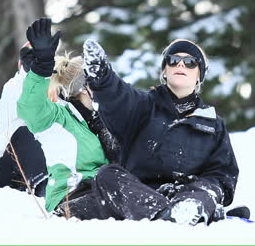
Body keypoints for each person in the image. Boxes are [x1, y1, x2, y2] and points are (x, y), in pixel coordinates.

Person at [80, 38, 239, 225]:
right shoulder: (143, 105)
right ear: (165, 70)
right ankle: (167, 215)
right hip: (139, 197)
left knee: (207, 190)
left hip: (188, 197)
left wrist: (204, 194)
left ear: (199, 75)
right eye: (173, 60)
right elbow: (118, 96)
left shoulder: (213, 124)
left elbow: (222, 175)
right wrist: (102, 76)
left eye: (189, 62)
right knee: (106, 176)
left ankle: (186, 212)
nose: (180, 64)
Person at [10, 18, 119, 217]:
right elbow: (30, 108)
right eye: (99, 83)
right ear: (85, 89)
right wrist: (40, 69)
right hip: (71, 199)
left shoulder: (96, 121)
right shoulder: (58, 119)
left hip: (102, 192)